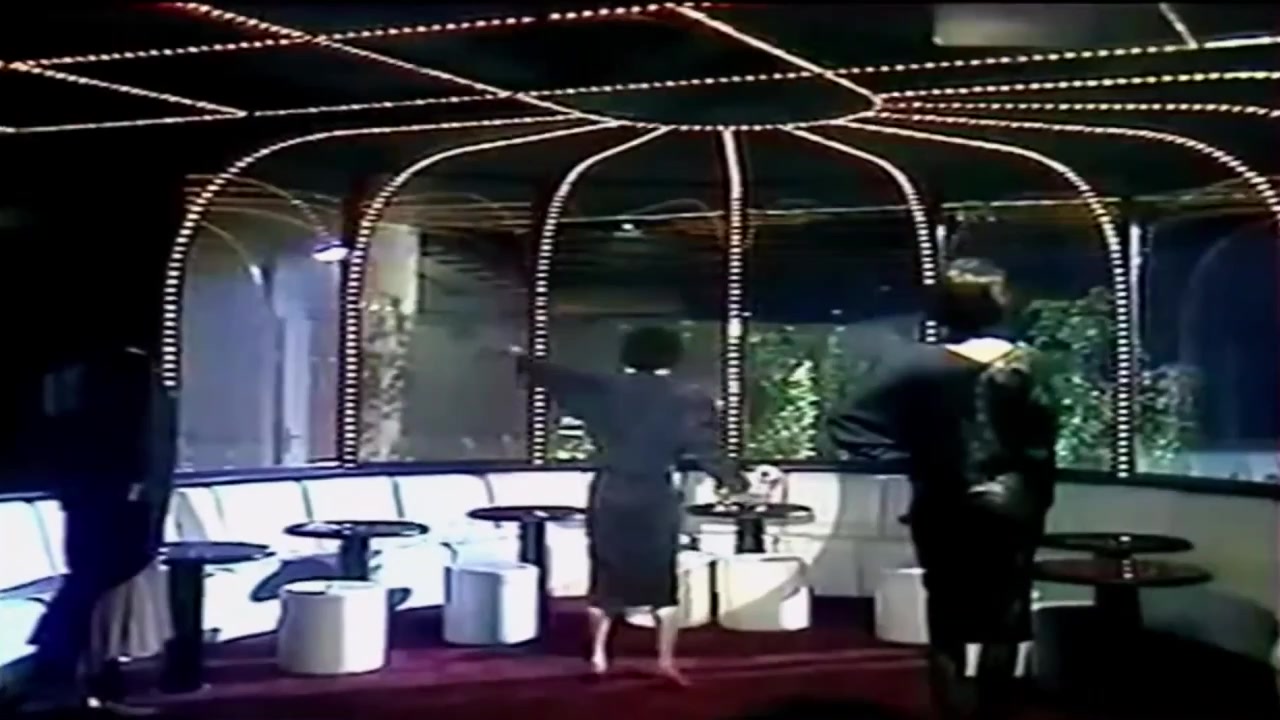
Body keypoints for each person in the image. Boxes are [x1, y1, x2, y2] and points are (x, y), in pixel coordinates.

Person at [822, 259, 1058, 719]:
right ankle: (993, 710)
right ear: (1001, 305)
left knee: (946, 612)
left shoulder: (911, 363)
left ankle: (950, 708)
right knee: (1008, 612)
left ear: (942, 309)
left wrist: (911, 456)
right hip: (1016, 501)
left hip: (941, 498)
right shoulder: (1033, 364)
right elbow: (1043, 439)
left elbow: (847, 421)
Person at [498, 327, 748, 685]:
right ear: (672, 356)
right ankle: (665, 661)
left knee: (606, 577)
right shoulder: (688, 399)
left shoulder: (604, 390)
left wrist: (520, 359)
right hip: (656, 495)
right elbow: (708, 449)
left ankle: (598, 657)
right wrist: (734, 481)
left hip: (610, 491)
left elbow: (556, 377)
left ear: (628, 353)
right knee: (661, 582)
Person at [18, 342, 176, 717]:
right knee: (97, 585)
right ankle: (72, 672)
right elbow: (152, 445)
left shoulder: (67, 382)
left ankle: (70, 673)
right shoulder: (132, 376)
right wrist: (145, 498)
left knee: (89, 584)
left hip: (87, 497)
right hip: (119, 500)